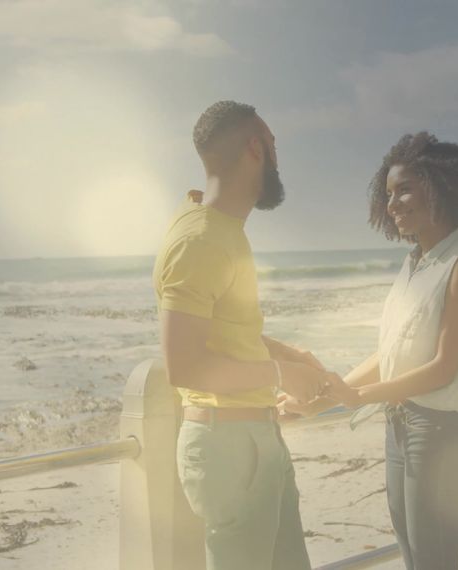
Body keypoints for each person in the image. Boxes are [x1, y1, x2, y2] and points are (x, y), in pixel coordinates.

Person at [284, 132, 458, 570]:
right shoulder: (414, 265)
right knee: (415, 560)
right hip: (401, 429)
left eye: (404, 189)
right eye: (387, 193)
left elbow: (443, 368)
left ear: (441, 188)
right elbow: (389, 355)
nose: (392, 203)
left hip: (440, 434)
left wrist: (358, 398)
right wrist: (321, 402)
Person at [153, 100, 336, 570]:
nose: (278, 157)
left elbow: (224, 332)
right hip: (228, 447)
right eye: (274, 145)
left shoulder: (222, 230)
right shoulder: (200, 239)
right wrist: (280, 373)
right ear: (255, 149)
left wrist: (286, 354)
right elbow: (185, 366)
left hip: (255, 438)